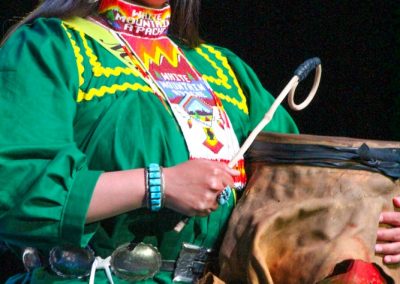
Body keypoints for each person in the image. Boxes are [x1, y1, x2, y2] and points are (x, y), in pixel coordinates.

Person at [0, 0, 298, 283]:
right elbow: (18, 189)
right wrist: (159, 185)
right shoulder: (50, 48)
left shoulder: (223, 70)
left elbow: (300, 185)